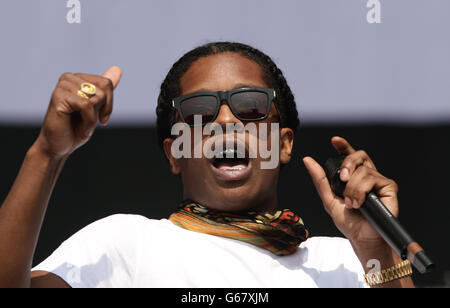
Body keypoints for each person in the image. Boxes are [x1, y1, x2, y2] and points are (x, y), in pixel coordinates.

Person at [0, 42, 414, 288]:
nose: (226, 120)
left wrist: (378, 252)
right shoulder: (124, 245)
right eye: (199, 110)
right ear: (175, 153)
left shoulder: (346, 263)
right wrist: (46, 155)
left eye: (250, 105)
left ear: (283, 144)